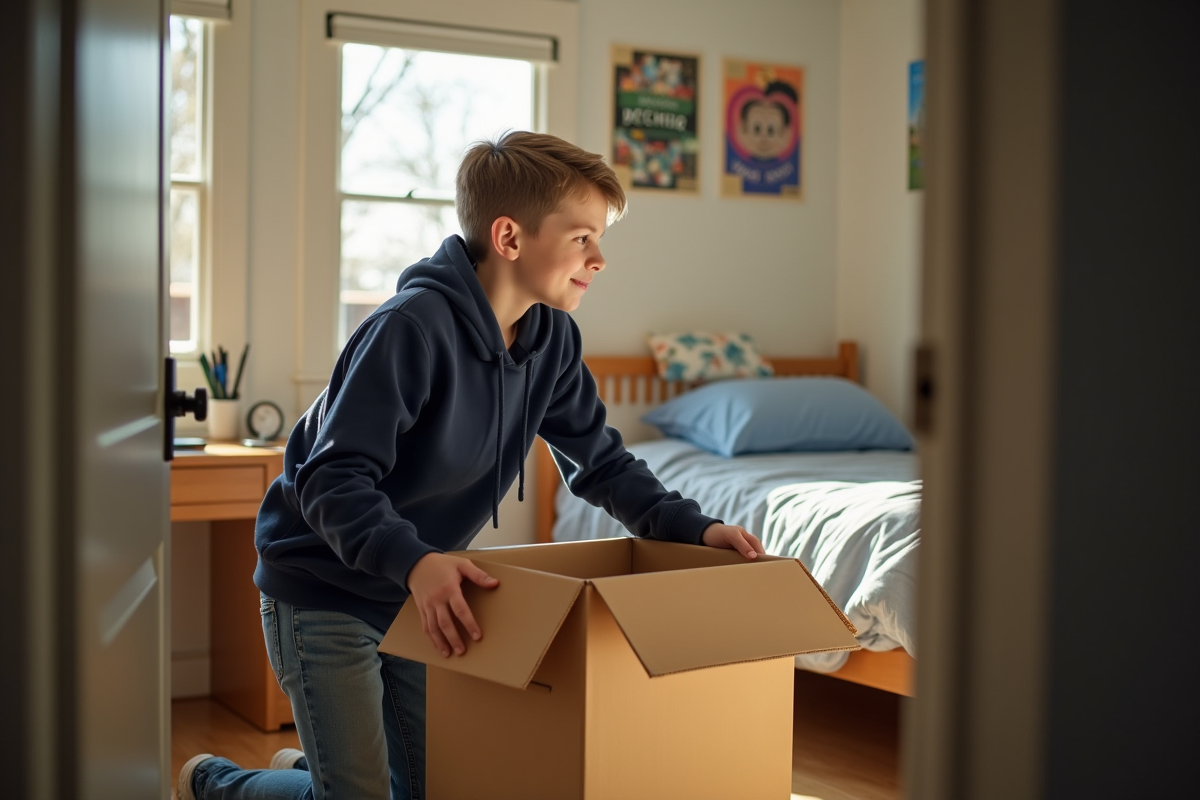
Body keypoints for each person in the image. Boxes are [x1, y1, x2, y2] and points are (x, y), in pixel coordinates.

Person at [178, 130, 765, 800]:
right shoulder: (410, 328)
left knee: (440, 786)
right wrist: (418, 561)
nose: (600, 258)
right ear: (510, 237)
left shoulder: (553, 340)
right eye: (582, 238)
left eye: (602, 239)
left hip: (416, 591)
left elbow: (599, 461)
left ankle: (315, 775)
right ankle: (221, 785)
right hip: (322, 584)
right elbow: (327, 478)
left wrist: (691, 529)